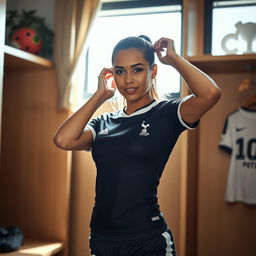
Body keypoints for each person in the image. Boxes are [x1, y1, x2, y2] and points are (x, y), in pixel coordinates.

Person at [53, 35, 221, 256]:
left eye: (137, 69)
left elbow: (211, 94)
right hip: (102, 239)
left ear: (153, 72)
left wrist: (173, 58)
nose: (128, 79)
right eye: (120, 71)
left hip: (146, 240)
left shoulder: (166, 114)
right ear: (112, 74)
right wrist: (99, 96)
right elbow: (63, 140)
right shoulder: (103, 122)